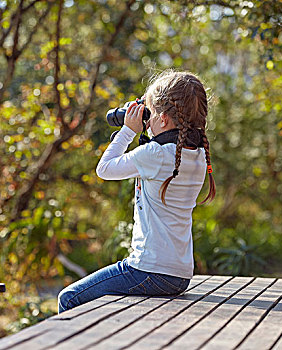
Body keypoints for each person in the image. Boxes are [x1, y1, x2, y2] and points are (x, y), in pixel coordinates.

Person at [57, 70, 216, 313]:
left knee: (69, 298)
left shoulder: (156, 154)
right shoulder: (196, 154)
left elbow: (104, 169)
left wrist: (129, 130)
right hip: (180, 274)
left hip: (149, 269)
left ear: (163, 119)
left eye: (149, 114)